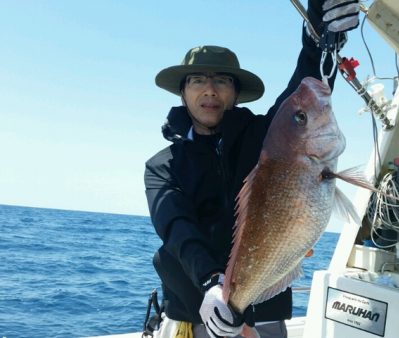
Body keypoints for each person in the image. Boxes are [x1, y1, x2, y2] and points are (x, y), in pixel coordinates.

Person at [144, 1, 360, 337]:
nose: (210, 89)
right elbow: (176, 226)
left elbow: (303, 86)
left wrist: (319, 27)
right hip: (199, 311)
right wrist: (212, 283)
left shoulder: (268, 138)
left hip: (266, 310)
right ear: (183, 92)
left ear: (236, 93)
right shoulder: (162, 166)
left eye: (222, 81)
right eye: (198, 80)